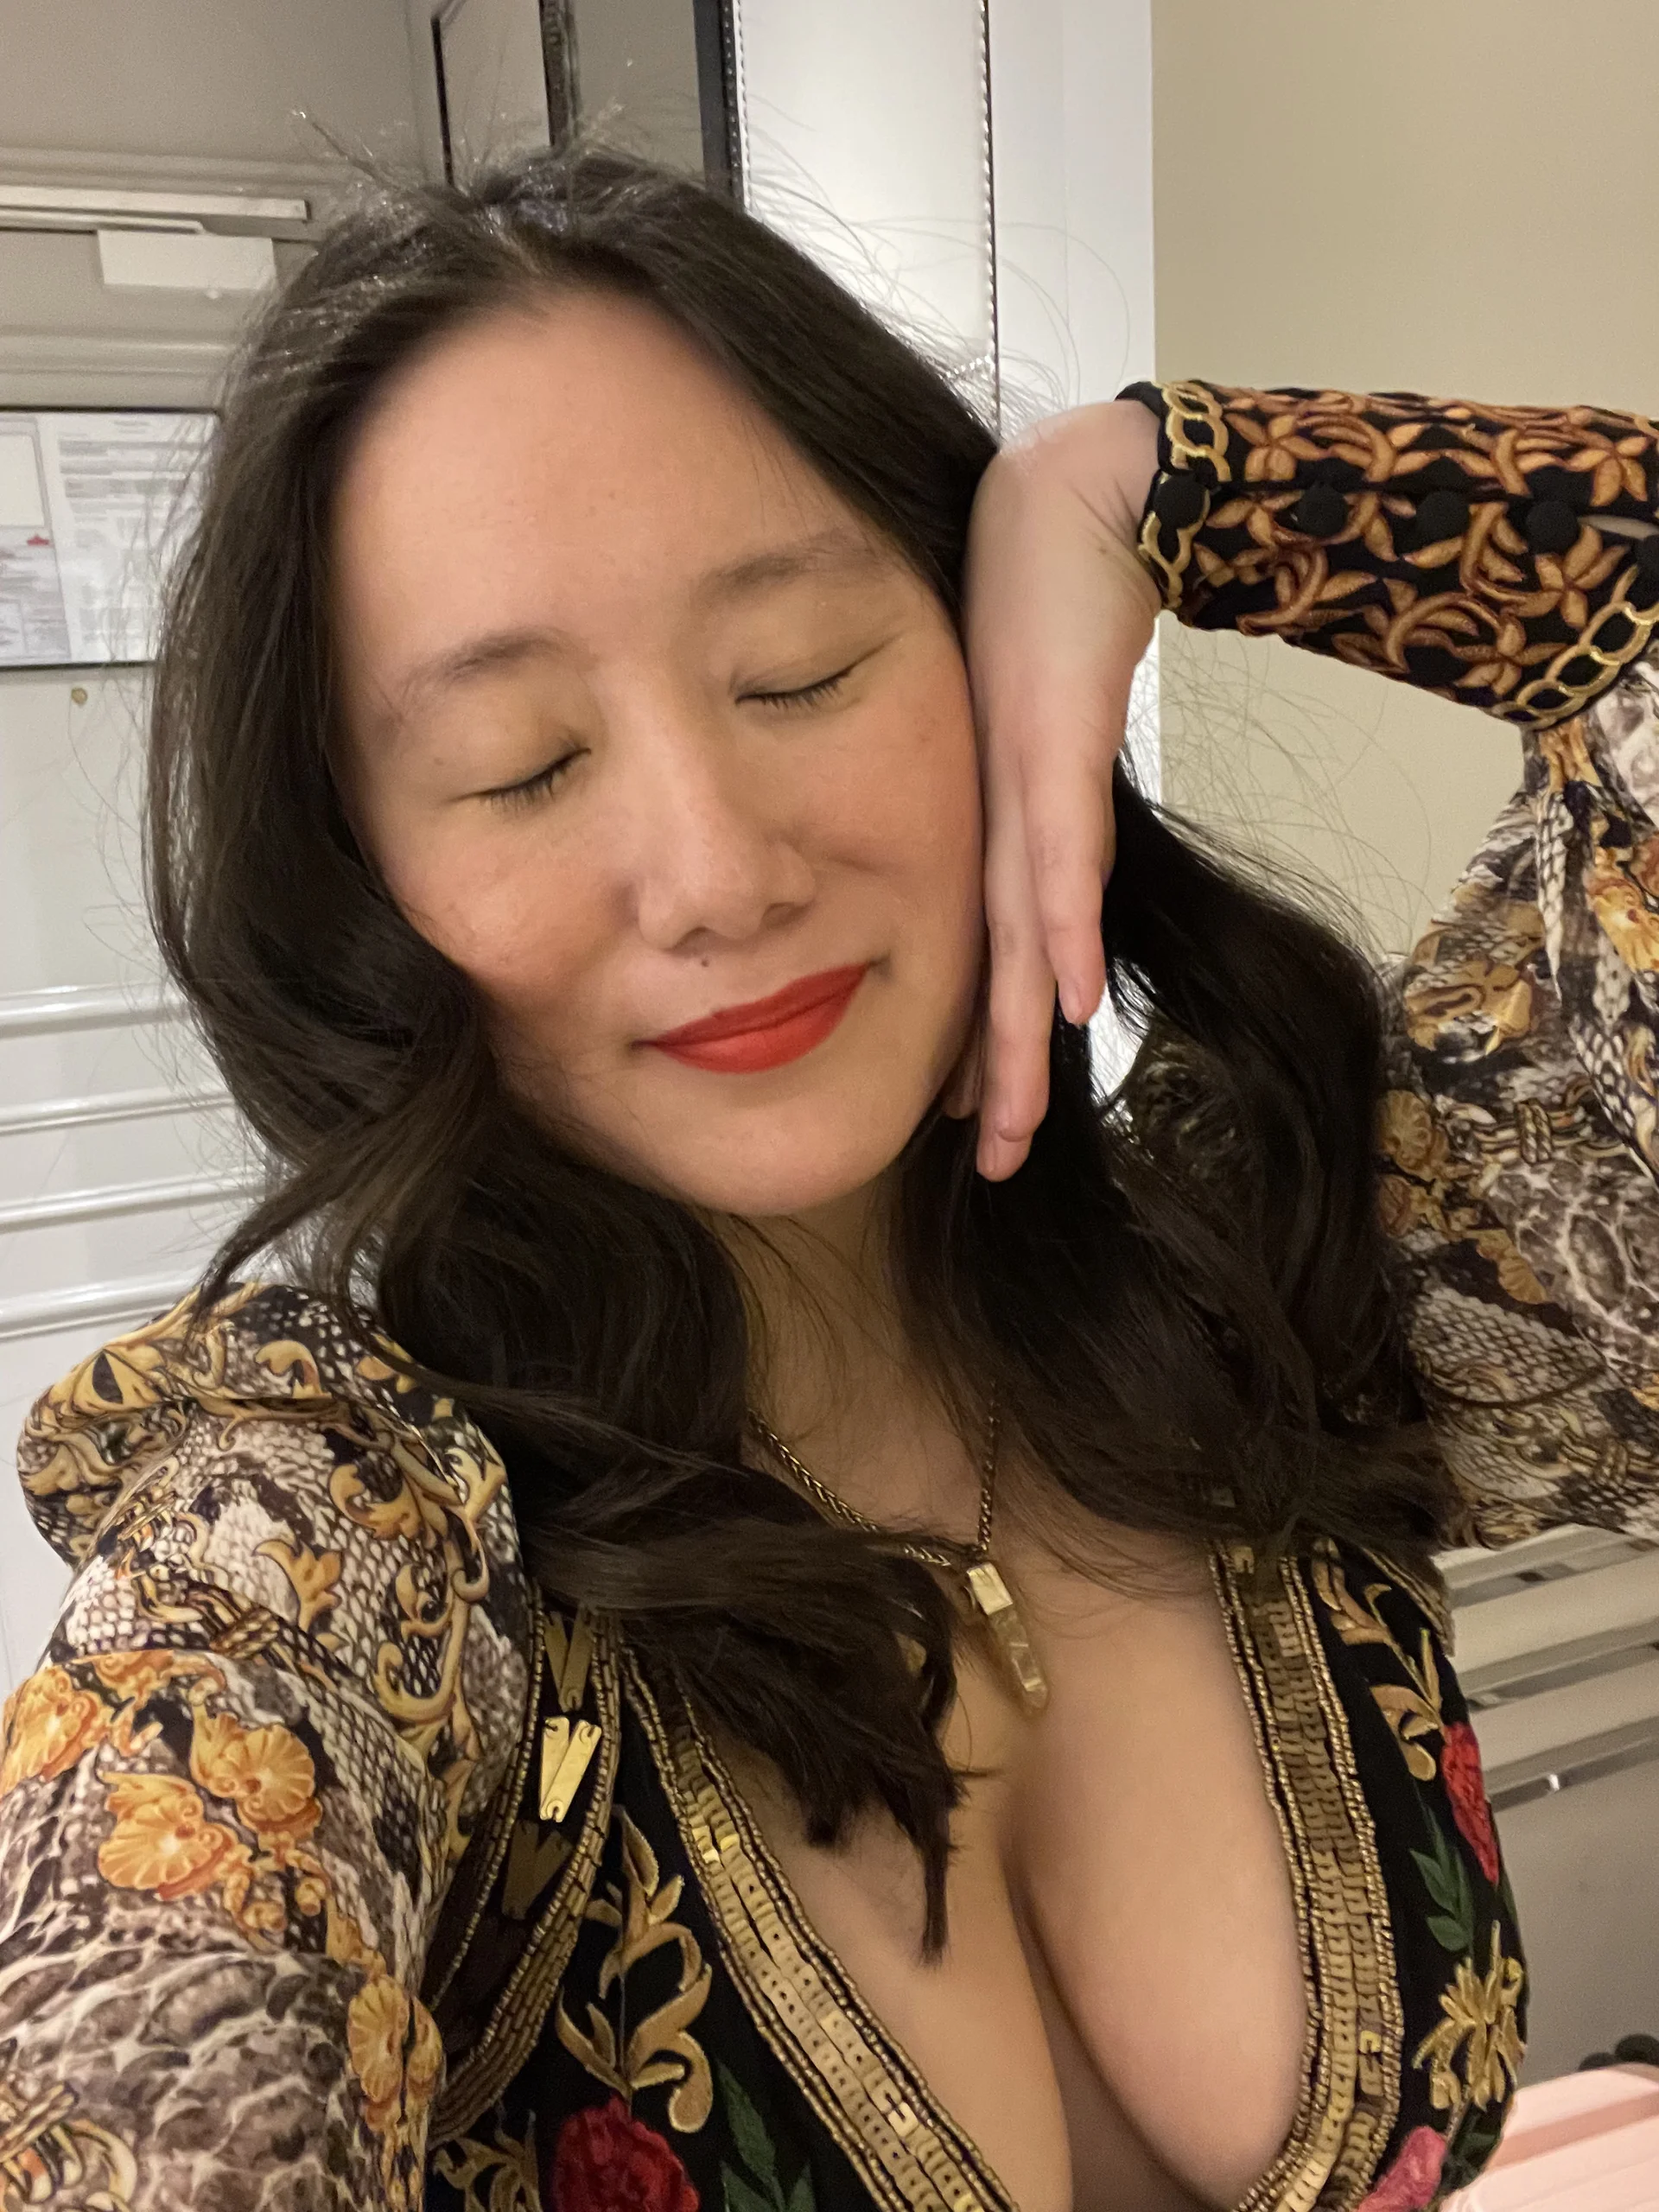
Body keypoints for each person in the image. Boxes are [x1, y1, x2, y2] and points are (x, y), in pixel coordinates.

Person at [1, 144, 1656, 2212]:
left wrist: (1159, 489)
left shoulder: (1285, 1282)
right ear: (362, 888)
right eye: (523, 766)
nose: (718, 871)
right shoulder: (341, 1538)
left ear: (978, 654)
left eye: (799, 672)